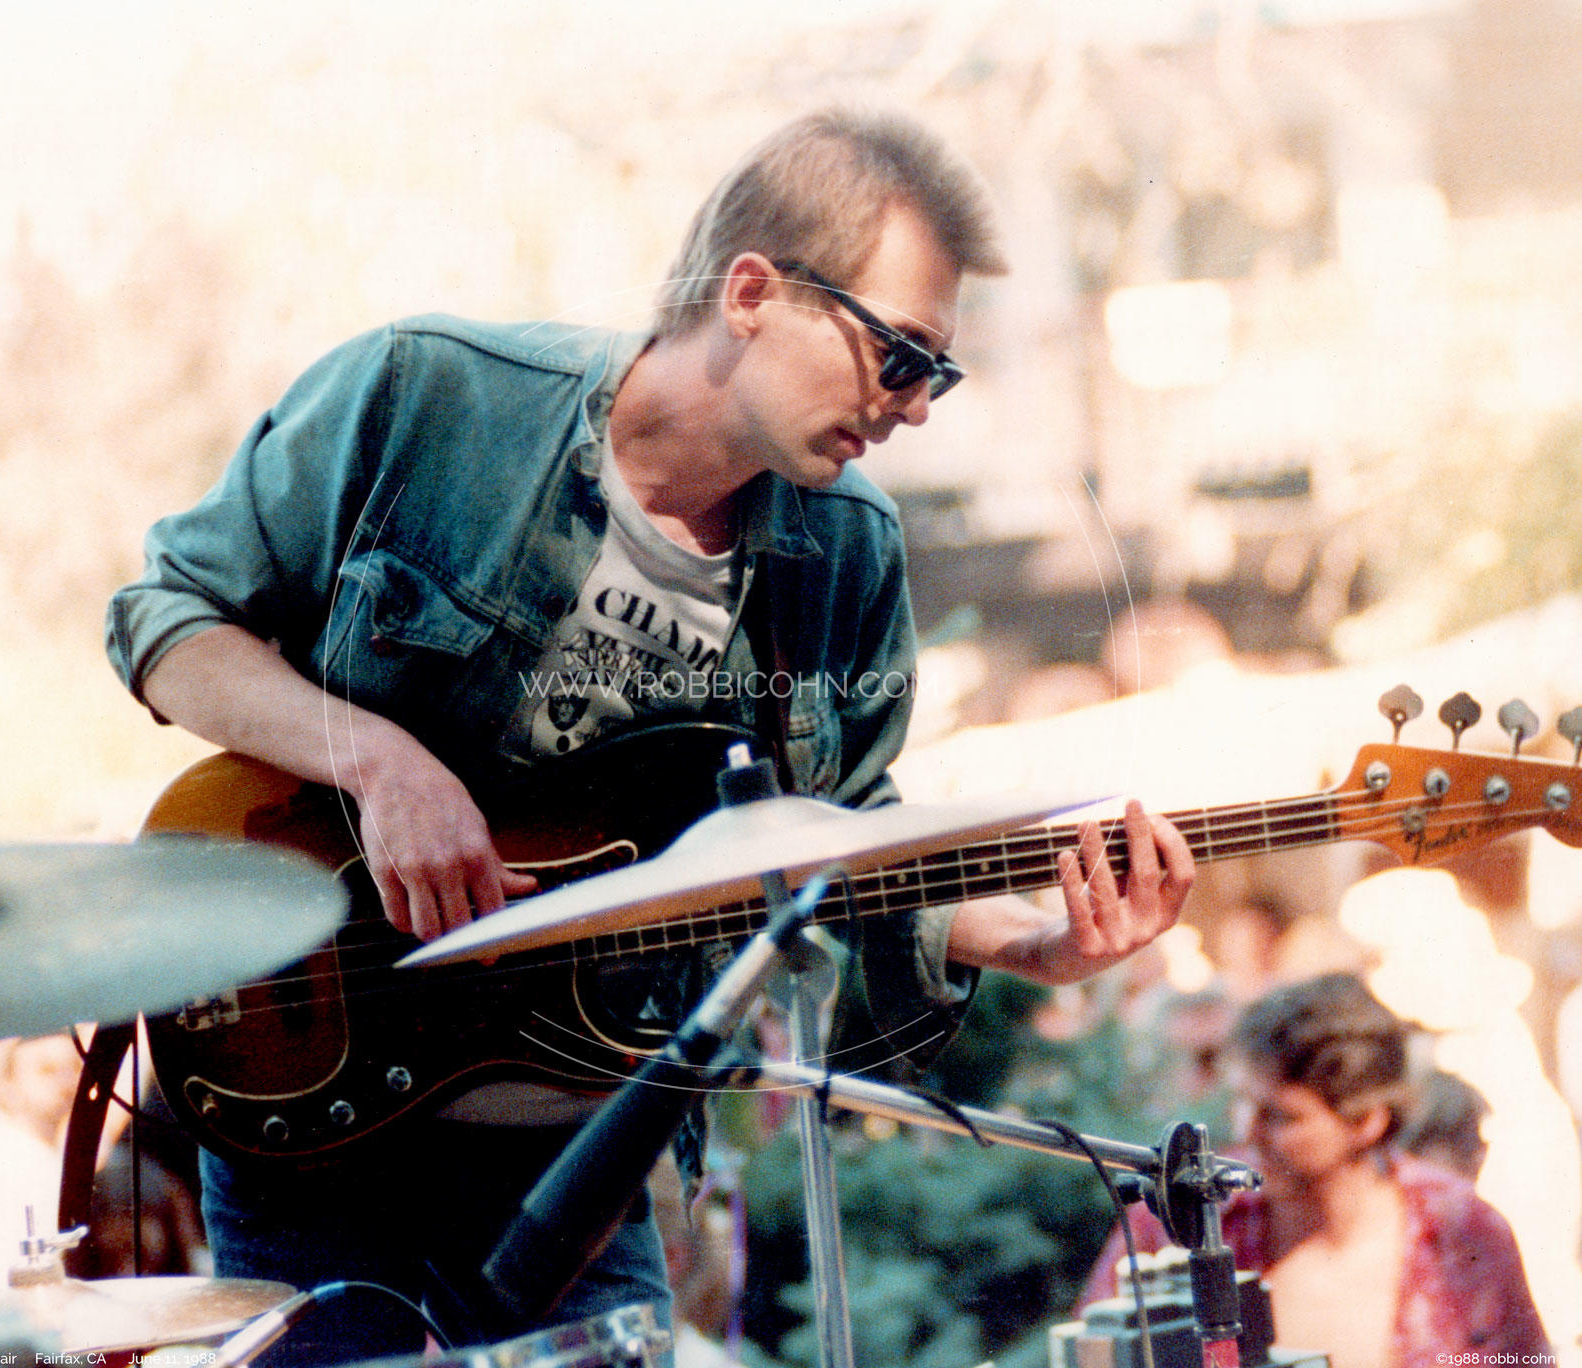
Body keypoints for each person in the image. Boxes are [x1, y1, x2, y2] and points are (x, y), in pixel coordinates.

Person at [107, 107, 1195, 1365]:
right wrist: (377, 761)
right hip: (313, 1110)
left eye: (933, 375)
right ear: (752, 293)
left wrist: (1038, 943)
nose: (911, 409)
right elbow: (167, 618)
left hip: (580, 1165)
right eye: (897, 354)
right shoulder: (432, 395)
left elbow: (835, 845)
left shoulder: (844, 552)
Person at [1075, 973, 1549, 1368]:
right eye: (1242, 1102)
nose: (1246, 1130)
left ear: (1366, 1121)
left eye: (1282, 1116)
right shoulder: (1182, 1219)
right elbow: (1087, 1352)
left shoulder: (1461, 1227)